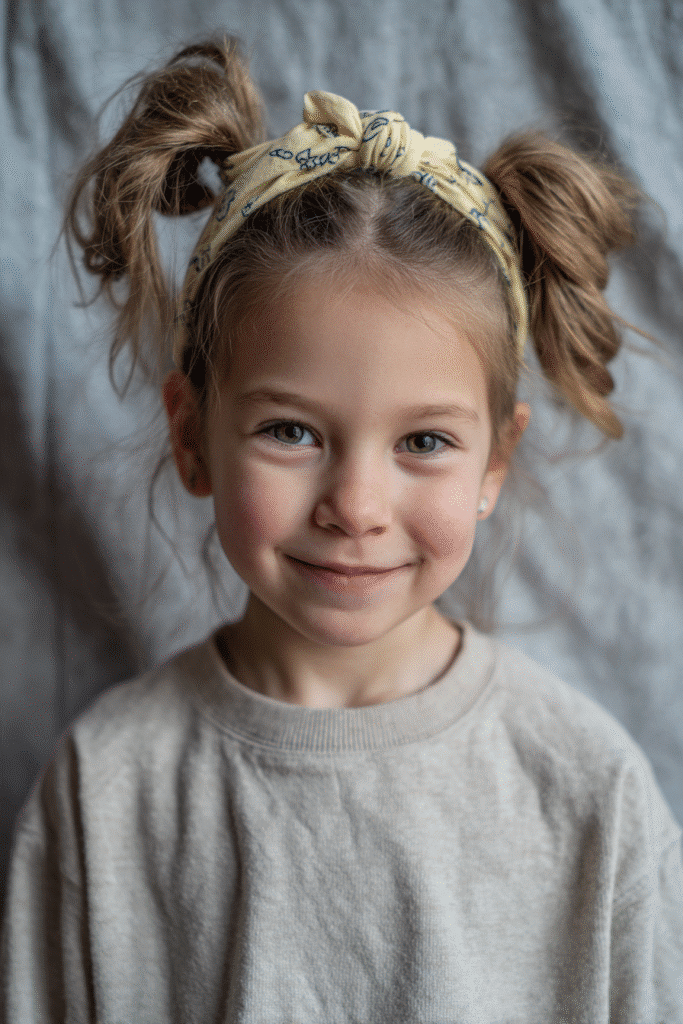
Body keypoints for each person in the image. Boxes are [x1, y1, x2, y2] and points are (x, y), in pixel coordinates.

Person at [2, 35, 682, 1024]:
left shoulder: (587, 791)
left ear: (494, 463)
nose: (355, 506)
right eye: (291, 431)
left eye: (423, 442)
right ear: (192, 437)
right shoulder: (104, 791)